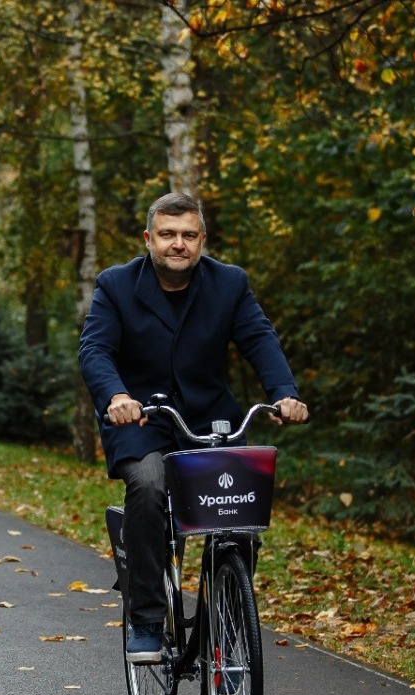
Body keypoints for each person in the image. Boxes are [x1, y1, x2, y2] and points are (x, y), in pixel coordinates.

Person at [78, 192, 308, 665]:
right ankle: (145, 617)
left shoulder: (229, 284)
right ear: (149, 239)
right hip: (141, 420)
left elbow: (259, 339)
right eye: (167, 235)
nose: (177, 244)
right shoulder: (116, 286)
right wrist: (117, 396)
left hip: (210, 420)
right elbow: (95, 351)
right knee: (146, 485)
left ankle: (223, 634)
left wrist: (284, 392)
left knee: (239, 519)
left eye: (187, 235)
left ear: (202, 240)